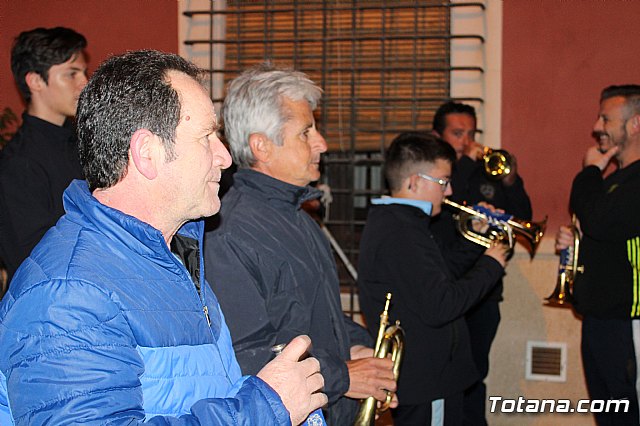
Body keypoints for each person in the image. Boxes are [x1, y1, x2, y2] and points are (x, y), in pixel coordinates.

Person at [0, 50, 327, 425]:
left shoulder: (174, 254)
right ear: (147, 153)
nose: (225, 157)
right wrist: (265, 408)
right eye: (207, 137)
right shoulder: (68, 297)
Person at [204, 63, 397, 424]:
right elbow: (245, 354)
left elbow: (311, 316)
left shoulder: (300, 219)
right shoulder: (227, 231)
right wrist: (344, 374)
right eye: (306, 132)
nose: (321, 143)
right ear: (261, 146)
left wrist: (357, 344)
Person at [357, 131, 509, 425]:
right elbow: (442, 305)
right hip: (428, 380)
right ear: (414, 182)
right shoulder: (400, 231)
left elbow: (439, 276)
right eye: (443, 182)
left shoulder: (406, 223)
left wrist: (475, 239)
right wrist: (491, 265)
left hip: (434, 377)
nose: (449, 191)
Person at [431, 101, 532, 425]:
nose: (466, 140)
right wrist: (458, 162)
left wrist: (511, 181)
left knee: (474, 375)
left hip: (484, 292)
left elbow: (523, 218)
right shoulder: (435, 175)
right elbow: (446, 204)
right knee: (443, 376)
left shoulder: (488, 171)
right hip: (446, 289)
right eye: (457, 133)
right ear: (438, 136)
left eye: (471, 134)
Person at [555, 84, 640, 425]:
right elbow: (604, 230)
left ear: (635, 124)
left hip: (629, 321)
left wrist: (589, 171)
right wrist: (577, 245)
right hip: (600, 319)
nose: (597, 126)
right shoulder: (616, 179)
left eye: (606, 118)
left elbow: (602, 220)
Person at [0, 27, 88, 282]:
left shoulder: (81, 141)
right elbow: (37, 258)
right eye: (71, 74)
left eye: (83, 71)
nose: (84, 82)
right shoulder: (18, 163)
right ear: (35, 81)